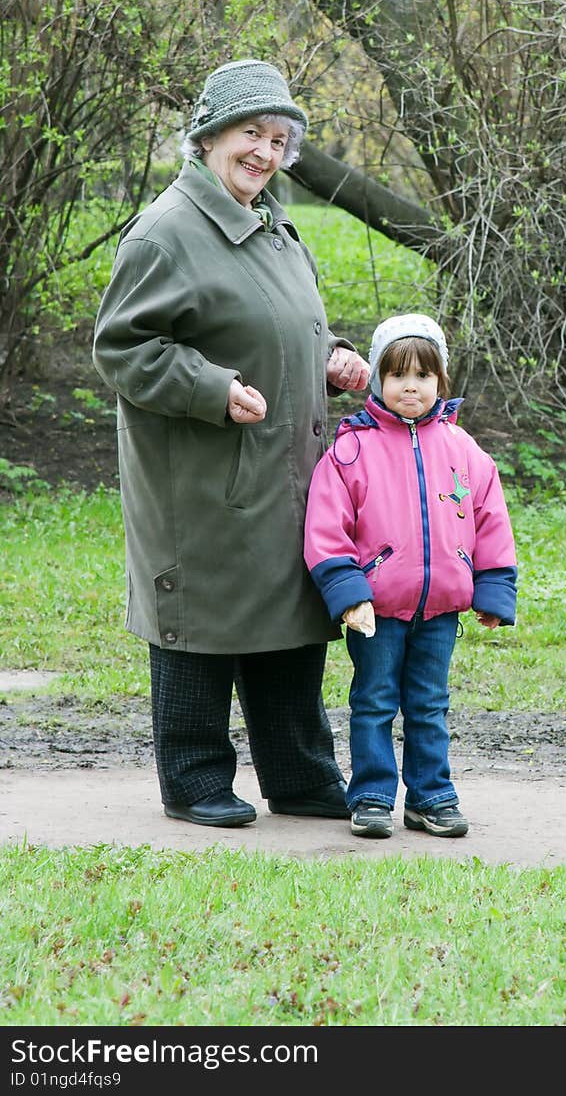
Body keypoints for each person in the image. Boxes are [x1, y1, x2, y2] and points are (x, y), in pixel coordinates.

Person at [92, 58, 370, 828]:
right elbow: (122, 348)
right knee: (202, 619)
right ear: (211, 134)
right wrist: (211, 389)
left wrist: (333, 355)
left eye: (280, 140)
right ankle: (193, 779)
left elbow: (280, 322)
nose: (266, 153)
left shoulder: (271, 221)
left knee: (287, 614)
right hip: (204, 472)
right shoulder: (167, 231)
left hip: (284, 466)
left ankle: (302, 776)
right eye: (252, 133)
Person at [303, 313, 517, 840]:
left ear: (440, 381)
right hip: (378, 609)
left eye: (423, 375)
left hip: (442, 609)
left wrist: (491, 590)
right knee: (374, 701)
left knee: (429, 704)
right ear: (378, 379)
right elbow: (327, 528)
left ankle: (431, 796)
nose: (411, 387)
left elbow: (490, 520)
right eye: (398, 375)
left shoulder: (463, 450)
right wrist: (349, 593)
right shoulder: (352, 450)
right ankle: (372, 795)